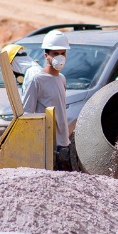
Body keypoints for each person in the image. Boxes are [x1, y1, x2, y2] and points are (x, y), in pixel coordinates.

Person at [20, 29, 71, 170]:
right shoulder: (37, 80)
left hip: (63, 143)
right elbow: (27, 114)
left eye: (63, 53)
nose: (60, 57)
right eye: (55, 54)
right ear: (46, 56)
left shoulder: (62, 79)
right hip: (47, 145)